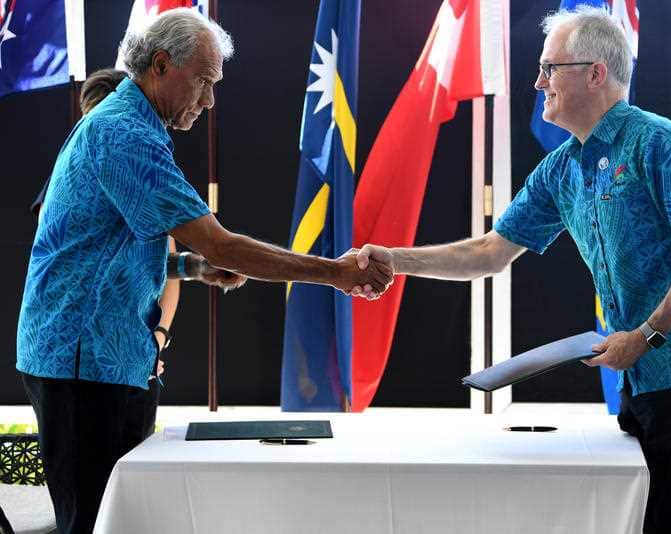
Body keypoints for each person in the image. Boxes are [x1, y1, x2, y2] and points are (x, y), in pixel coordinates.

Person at [352, 6, 671, 534]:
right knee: (648, 506)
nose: (538, 80)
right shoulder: (561, 167)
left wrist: (645, 335)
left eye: (551, 67)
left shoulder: (660, 143)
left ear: (595, 73)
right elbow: (490, 251)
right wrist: (395, 258)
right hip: (643, 362)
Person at [16, 8, 390, 534]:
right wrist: (335, 273)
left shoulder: (131, 126)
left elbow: (103, 251)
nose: (210, 101)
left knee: (120, 521)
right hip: (82, 366)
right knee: (93, 524)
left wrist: (191, 267)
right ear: (162, 65)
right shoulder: (124, 135)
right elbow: (223, 243)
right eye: (205, 82)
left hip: (109, 360)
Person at [31, 68, 171, 440]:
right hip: (75, 360)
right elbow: (67, 264)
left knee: (130, 485)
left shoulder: (140, 164)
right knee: (87, 493)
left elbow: (163, 260)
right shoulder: (75, 171)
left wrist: (157, 337)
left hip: (133, 358)